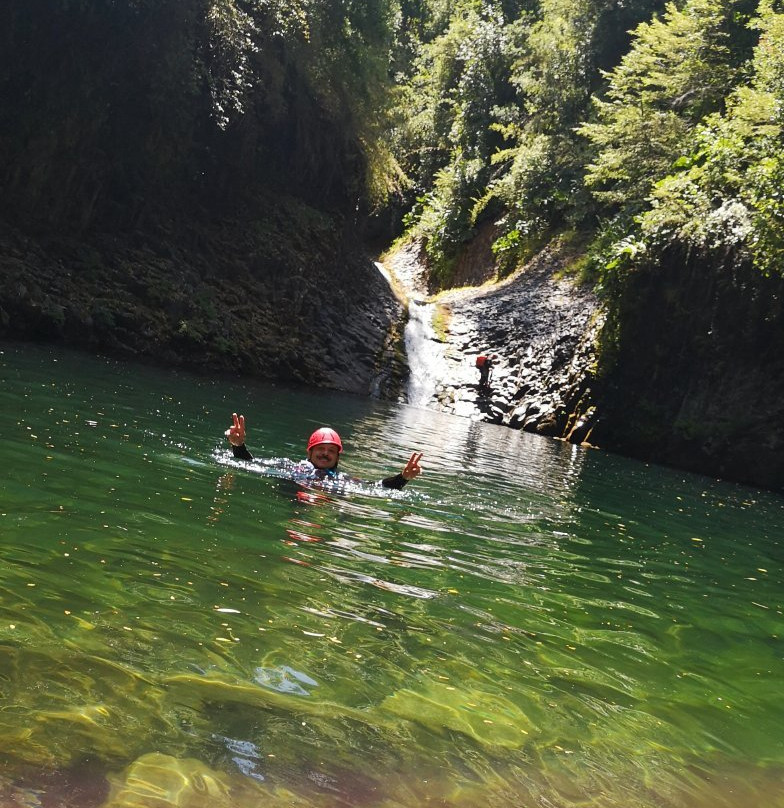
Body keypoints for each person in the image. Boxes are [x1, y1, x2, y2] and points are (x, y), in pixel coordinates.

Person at [225, 413, 423, 490]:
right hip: (295, 498)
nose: (325, 454)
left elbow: (377, 486)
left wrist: (403, 477)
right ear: (309, 453)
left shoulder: (343, 480)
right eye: (320, 449)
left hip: (327, 504)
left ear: (337, 457)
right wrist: (238, 445)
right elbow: (251, 465)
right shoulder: (292, 468)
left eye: (331, 451)